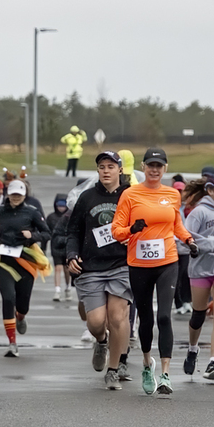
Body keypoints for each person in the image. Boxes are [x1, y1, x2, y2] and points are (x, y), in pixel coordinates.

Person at [111, 148, 196, 396]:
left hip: (167, 261)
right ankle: (148, 365)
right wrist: (131, 230)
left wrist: (189, 240)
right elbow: (116, 229)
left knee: (164, 317)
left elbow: (176, 224)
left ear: (165, 168)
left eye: (159, 166)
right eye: (150, 165)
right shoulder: (130, 194)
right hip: (139, 263)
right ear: (143, 166)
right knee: (146, 318)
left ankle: (166, 375)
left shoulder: (172, 195)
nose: (155, 170)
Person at [62, 150, 133, 388]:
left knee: (117, 317)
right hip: (91, 267)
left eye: (111, 167)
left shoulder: (129, 196)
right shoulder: (86, 198)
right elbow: (73, 231)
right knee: (95, 322)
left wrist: (133, 236)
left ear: (120, 170)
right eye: (102, 167)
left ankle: (114, 369)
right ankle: (101, 341)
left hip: (121, 265)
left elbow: (142, 226)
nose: (106, 171)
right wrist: (71, 254)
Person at [0, 179, 51, 357]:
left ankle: (21, 316)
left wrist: (33, 235)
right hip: (3, 259)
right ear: (8, 194)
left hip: (26, 259)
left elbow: (47, 233)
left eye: (19, 195)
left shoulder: (32, 212)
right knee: (8, 297)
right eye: (13, 194)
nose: (15, 198)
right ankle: (12, 342)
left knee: (22, 304)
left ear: (24, 196)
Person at [181, 176, 214, 379]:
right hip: (200, 269)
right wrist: (210, 244)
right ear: (210, 190)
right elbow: (185, 239)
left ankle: (213, 362)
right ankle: (193, 348)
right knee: (198, 315)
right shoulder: (199, 212)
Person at [47, 194, 72, 302]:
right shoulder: (51, 217)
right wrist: (43, 248)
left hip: (67, 246)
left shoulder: (70, 216)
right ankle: (57, 290)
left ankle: (67, 288)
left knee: (67, 269)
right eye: (59, 205)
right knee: (57, 268)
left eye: (63, 205)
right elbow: (46, 232)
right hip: (56, 246)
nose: (61, 207)